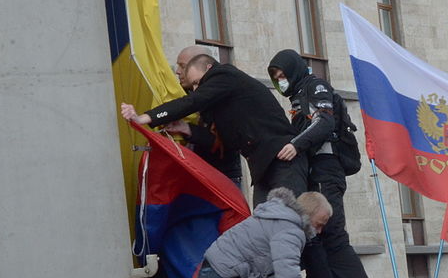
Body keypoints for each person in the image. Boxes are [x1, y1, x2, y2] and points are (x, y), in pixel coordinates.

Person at [121, 54, 308, 205]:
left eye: (198, 82)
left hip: (283, 158)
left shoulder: (224, 74)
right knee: (263, 227)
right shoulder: (222, 105)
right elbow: (224, 144)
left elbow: (191, 102)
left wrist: (146, 117)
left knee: (293, 221)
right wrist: (186, 128)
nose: (197, 89)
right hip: (262, 167)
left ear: (209, 68)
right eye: (193, 85)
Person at [268, 49, 368, 278]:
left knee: (331, 234)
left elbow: (324, 121)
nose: (280, 81)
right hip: (315, 171)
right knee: (314, 237)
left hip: (326, 167)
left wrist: (295, 145)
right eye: (276, 77)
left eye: (283, 75)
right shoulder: (298, 95)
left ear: (294, 70)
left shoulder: (315, 86)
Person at [198, 187, 331, 278]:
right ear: (309, 214)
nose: (319, 231)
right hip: (224, 270)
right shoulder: (290, 229)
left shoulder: (279, 215)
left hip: (219, 265)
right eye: (319, 224)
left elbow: (273, 268)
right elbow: (287, 271)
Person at [162, 46, 243, 187]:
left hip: (223, 178)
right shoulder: (180, 94)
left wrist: (187, 129)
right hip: (195, 177)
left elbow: (227, 143)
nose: (178, 72)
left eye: (183, 66)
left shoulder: (222, 95)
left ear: (203, 67)